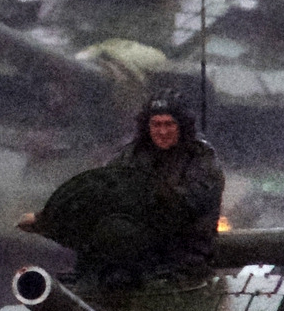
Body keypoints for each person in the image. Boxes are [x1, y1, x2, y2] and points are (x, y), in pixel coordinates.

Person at [20, 92, 224, 286]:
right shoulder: (132, 155)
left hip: (185, 256)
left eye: (169, 124)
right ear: (147, 126)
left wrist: (150, 197)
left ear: (182, 126)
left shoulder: (199, 159)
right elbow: (103, 191)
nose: (162, 132)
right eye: (156, 124)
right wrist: (47, 219)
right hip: (135, 256)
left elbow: (190, 203)